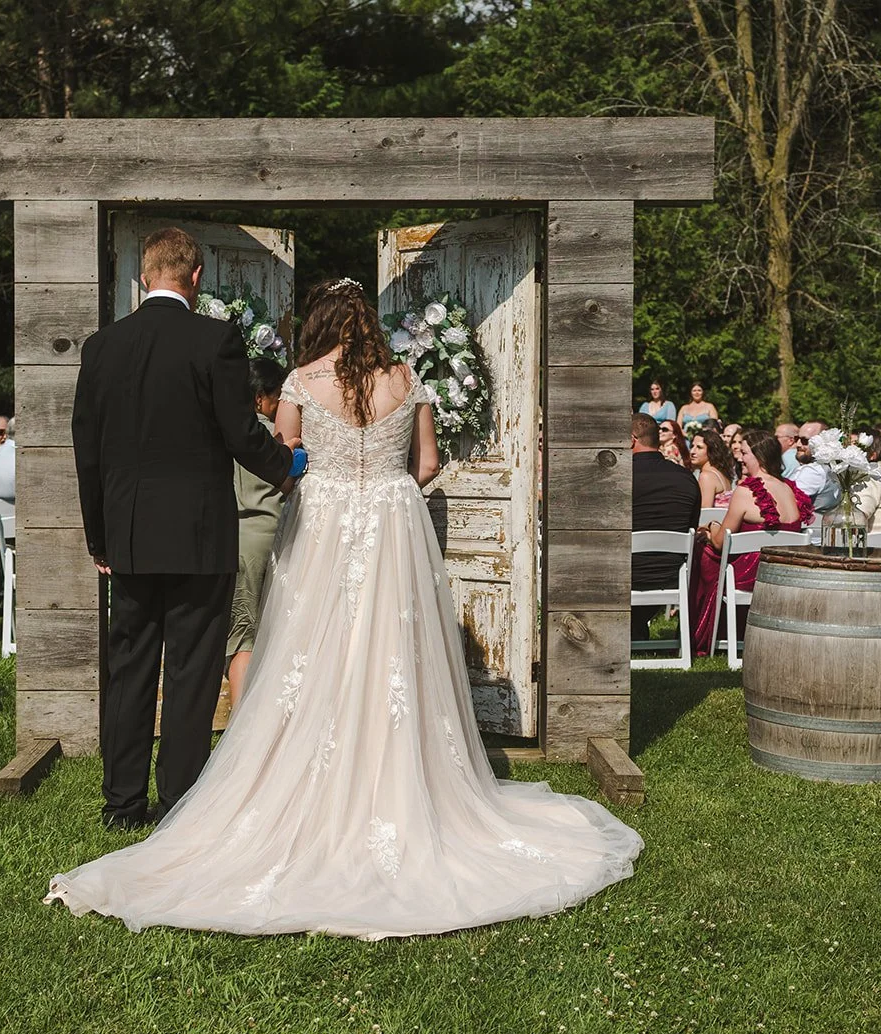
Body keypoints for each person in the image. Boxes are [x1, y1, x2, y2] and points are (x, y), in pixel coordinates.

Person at [49, 273, 641, 939]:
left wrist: (326, 481)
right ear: (369, 321)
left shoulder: (301, 381)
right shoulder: (406, 379)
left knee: (311, 650)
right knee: (390, 652)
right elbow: (426, 464)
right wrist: (381, 488)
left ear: (322, 322)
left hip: (324, 527)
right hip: (392, 529)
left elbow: (282, 455)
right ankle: (397, 785)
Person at [67, 226, 299, 832]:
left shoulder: (101, 347)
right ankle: (177, 803)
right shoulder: (213, 339)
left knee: (131, 666)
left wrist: (100, 538)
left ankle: (121, 804)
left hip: (132, 536)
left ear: (145, 277)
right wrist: (287, 473)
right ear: (195, 277)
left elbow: (85, 452)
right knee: (193, 671)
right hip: (199, 536)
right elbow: (241, 432)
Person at [691, 429, 813, 654]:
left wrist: (711, 528)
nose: (739, 457)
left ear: (759, 456)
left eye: (745, 452)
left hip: (752, 573)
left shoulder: (747, 491)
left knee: (703, 553)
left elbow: (720, 543)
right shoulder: (790, 490)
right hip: (785, 570)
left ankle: (704, 634)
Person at [225, 359, 292, 710]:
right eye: (277, 396)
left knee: (243, 636)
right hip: (275, 536)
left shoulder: (232, 435)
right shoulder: (271, 440)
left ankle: (240, 722)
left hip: (241, 538)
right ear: (258, 398)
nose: (280, 404)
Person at [630, 412, 700, 642]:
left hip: (625, 571)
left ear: (631, 440)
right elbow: (691, 527)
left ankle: (634, 626)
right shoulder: (686, 478)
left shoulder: (618, 477)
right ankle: (636, 626)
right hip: (671, 572)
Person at [791, 420, 841, 517]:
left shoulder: (813, 471)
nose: (798, 444)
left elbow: (787, 503)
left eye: (805, 441)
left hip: (807, 529)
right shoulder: (834, 467)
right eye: (797, 438)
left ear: (822, 443)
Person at [689, 426, 733, 509]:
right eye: (692, 446)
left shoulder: (706, 476)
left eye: (699, 447)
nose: (692, 451)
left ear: (711, 450)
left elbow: (705, 512)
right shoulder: (721, 473)